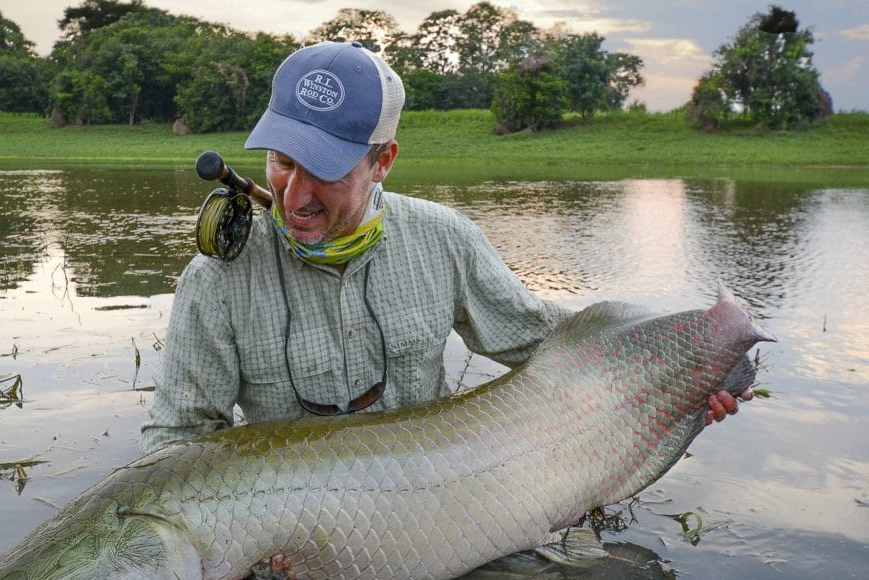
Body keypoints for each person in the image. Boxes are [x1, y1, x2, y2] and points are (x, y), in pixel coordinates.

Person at [141, 40, 746, 458]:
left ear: (383, 161)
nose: (293, 194)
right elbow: (179, 438)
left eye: (323, 169)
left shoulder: (445, 240)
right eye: (280, 160)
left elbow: (547, 344)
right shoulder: (217, 279)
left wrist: (678, 373)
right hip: (293, 523)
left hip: (430, 502)